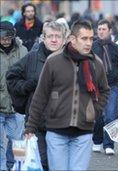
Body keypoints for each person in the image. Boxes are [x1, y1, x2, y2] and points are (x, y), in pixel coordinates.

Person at [23, 20, 110, 170]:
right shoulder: (54, 61)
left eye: (91, 38)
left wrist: (93, 111)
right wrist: (30, 127)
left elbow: (105, 90)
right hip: (56, 132)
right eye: (84, 38)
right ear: (72, 39)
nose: (88, 43)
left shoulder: (96, 63)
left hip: (83, 133)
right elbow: (40, 96)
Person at [6, 21, 67, 170]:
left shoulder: (71, 60)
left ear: (64, 40)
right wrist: (27, 86)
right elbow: (11, 77)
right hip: (36, 123)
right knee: (41, 163)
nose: (54, 40)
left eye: (57, 36)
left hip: (63, 124)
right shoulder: (32, 57)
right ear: (43, 38)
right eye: (50, 36)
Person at [91, 19, 118, 154]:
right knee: (97, 117)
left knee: (110, 116)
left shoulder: (116, 48)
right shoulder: (92, 47)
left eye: (104, 29)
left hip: (112, 87)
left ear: (109, 31)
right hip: (96, 87)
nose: (101, 32)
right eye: (99, 29)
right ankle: (97, 140)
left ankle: (109, 145)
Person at [0, 21, 27, 171]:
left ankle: (17, 167)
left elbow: (28, 74)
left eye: (8, 38)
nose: (5, 41)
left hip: (17, 105)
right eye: (2, 38)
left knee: (18, 142)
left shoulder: (22, 51)